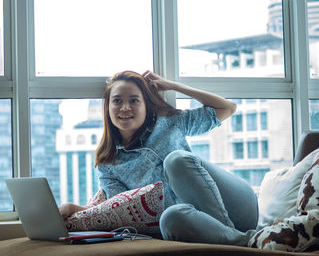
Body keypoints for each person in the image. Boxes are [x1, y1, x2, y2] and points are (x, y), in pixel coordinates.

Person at [59, 70, 258, 245]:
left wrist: (174, 86)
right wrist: (76, 210)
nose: (125, 107)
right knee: (170, 218)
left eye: (134, 100)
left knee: (176, 160)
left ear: (146, 105)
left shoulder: (169, 123)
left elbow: (228, 108)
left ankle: (230, 235)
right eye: (117, 101)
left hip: (237, 207)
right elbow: (116, 210)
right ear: (108, 108)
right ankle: (246, 241)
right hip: (197, 223)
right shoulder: (107, 164)